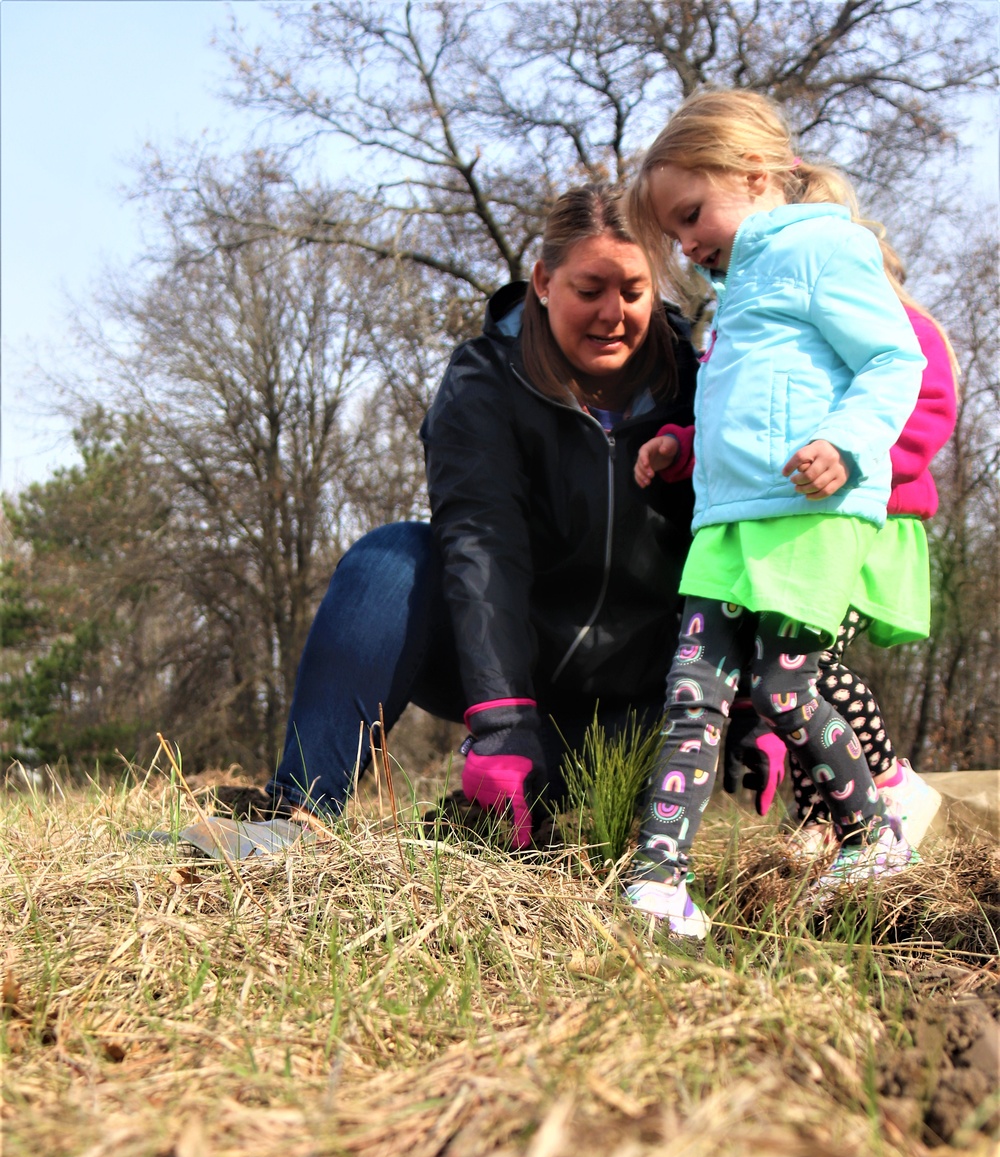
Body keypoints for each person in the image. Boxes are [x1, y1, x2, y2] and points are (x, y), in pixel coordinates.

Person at [214, 184, 700, 836]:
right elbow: (481, 541)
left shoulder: (700, 380)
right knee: (390, 560)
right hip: (515, 681)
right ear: (544, 282)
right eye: (589, 290)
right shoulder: (485, 380)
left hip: (644, 703)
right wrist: (503, 716)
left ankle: (510, 819)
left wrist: (754, 698)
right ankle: (298, 813)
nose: (613, 314)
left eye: (634, 292)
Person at [622, 88, 925, 937]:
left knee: (783, 689)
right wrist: (684, 445)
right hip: (727, 521)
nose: (685, 243)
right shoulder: (738, 284)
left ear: (753, 174)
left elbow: (892, 361)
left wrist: (848, 444)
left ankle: (874, 832)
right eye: (675, 230)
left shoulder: (824, 248)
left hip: (808, 512)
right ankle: (657, 882)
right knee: (693, 691)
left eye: (690, 215)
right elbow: (757, 400)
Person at [648, 240, 959, 852]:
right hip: (799, 526)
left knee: (802, 674)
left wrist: (852, 461)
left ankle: (887, 781)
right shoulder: (778, 333)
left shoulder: (900, 328)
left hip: (868, 527)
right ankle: (821, 813)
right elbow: (741, 422)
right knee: (783, 672)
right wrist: (685, 449)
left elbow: (925, 415)